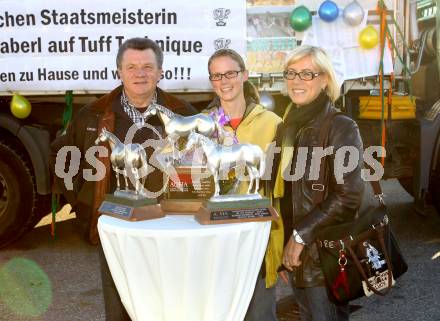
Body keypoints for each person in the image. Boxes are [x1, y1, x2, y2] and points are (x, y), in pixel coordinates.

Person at [50, 37, 196, 321]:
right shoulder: (93, 114)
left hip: (170, 230)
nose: (139, 74)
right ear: (119, 72)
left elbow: (203, 166)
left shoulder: (182, 114)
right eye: (131, 67)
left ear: (160, 71)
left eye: (147, 67)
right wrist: (83, 201)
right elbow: (62, 157)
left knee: (170, 303)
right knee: (121, 305)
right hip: (117, 230)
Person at [274, 45, 364, 321]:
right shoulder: (288, 125)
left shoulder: (340, 126)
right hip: (296, 255)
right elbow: (285, 192)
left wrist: (300, 237)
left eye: (307, 74)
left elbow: (348, 196)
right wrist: (282, 250)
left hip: (323, 258)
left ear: (324, 79)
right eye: (291, 73)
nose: (296, 81)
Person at [204, 48, 284, 321]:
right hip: (216, 239)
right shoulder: (203, 126)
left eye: (231, 73)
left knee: (260, 313)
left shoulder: (272, 123)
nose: (224, 81)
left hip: (257, 237)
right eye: (217, 75)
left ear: (244, 75)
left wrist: (288, 240)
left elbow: (283, 185)